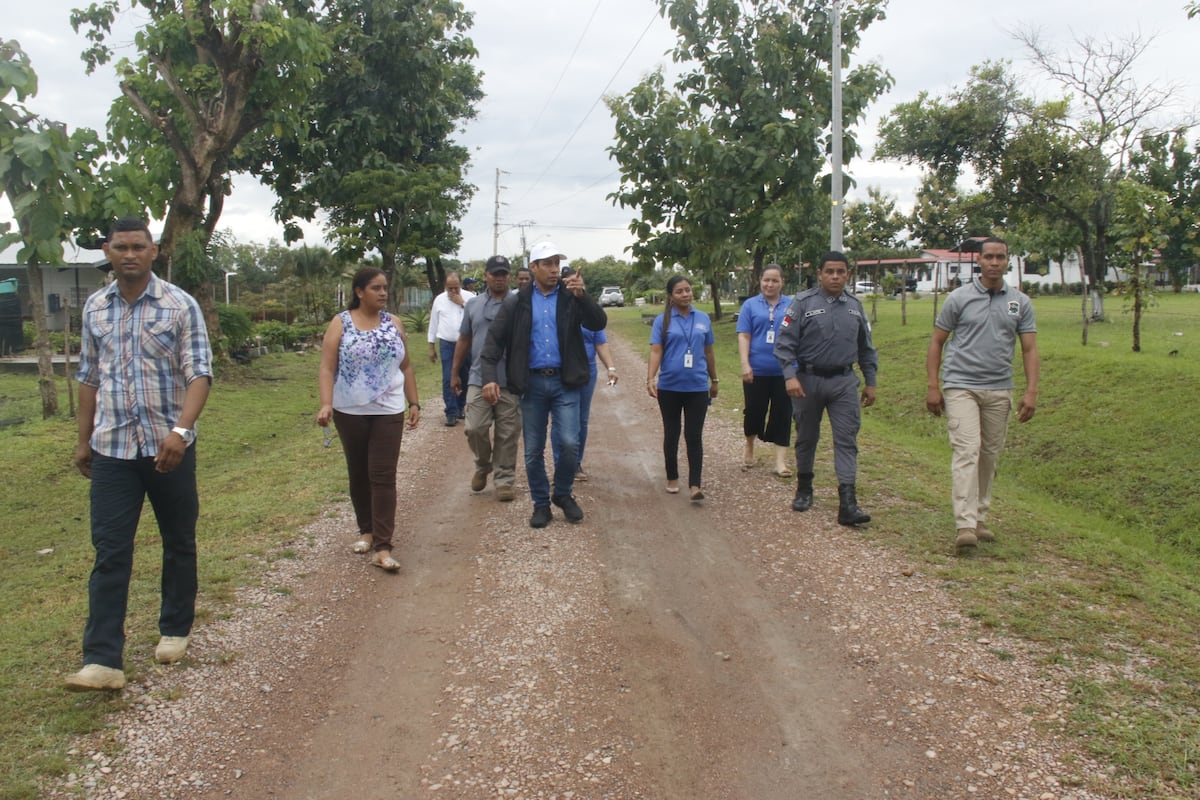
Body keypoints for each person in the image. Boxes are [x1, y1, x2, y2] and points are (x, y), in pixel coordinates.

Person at [66, 217, 213, 692]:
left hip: (168, 447)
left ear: (153, 251)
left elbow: (199, 374)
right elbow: (89, 377)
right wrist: (83, 440)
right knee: (110, 550)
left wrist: (180, 432)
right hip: (112, 448)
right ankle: (102, 659)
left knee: (178, 540)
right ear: (107, 252)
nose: (129, 255)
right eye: (120, 247)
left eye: (137, 247)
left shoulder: (179, 305)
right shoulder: (95, 308)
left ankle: (174, 628)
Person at [479, 242, 607, 528]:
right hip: (532, 384)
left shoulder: (571, 297)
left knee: (570, 443)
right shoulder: (517, 301)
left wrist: (583, 296)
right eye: (547, 264)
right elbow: (494, 341)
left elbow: (598, 323)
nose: (554, 269)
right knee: (533, 449)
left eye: (556, 263)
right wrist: (489, 378)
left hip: (565, 382)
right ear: (533, 267)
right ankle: (540, 504)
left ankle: (562, 493)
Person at [925, 236, 1039, 550]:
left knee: (989, 455)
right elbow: (937, 341)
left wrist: (1031, 391)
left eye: (1000, 257)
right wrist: (933, 386)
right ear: (979, 260)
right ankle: (964, 525)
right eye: (989, 257)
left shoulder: (1020, 302)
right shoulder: (958, 298)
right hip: (961, 385)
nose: (994, 262)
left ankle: (979, 517)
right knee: (967, 451)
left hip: (999, 388)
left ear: (1008, 261)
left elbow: (1029, 349)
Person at [317, 267, 421, 572]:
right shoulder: (341, 323)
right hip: (349, 410)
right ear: (359, 291)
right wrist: (326, 404)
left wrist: (414, 402)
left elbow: (406, 366)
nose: (383, 293)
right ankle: (366, 530)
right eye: (376, 288)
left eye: (385, 287)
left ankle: (383, 546)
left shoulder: (394, 323)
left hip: (389, 410)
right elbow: (327, 367)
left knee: (383, 476)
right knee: (359, 473)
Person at [774, 252, 877, 526]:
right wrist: (789, 376)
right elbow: (784, 344)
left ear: (848, 275)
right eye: (829, 271)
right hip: (808, 381)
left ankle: (848, 503)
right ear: (819, 274)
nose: (835, 277)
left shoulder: (855, 306)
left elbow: (866, 348)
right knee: (807, 437)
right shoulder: (802, 303)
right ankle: (804, 488)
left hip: (844, 382)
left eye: (840, 272)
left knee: (846, 439)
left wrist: (871, 381)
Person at [450, 255, 523, 502]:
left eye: (504, 274)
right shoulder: (473, 305)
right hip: (478, 376)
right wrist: (454, 372)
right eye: (495, 274)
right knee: (474, 428)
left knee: (508, 432)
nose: (499, 278)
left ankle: (504, 479)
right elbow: (464, 339)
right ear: (486, 276)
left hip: (510, 379)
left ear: (509, 276)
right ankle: (483, 465)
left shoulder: (519, 304)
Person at [646, 275, 718, 502]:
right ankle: (672, 477)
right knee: (672, 432)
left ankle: (695, 484)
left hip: (697, 386)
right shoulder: (662, 320)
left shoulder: (703, 318)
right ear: (671, 296)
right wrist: (650, 378)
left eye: (688, 290)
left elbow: (708, 351)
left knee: (694, 435)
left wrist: (714, 380)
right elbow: (656, 350)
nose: (685, 294)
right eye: (679, 291)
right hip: (670, 387)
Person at [737, 263, 793, 476]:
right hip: (756, 370)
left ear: (782, 282)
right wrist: (745, 364)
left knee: (783, 414)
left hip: (785, 370)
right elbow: (744, 335)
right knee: (754, 411)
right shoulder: (750, 305)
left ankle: (780, 462)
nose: (770, 284)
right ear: (760, 281)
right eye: (766, 280)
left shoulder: (792, 305)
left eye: (775, 280)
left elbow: (799, 335)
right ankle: (749, 444)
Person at [552, 300, 618, 483]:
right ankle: (560, 465)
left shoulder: (590, 311)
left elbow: (600, 343)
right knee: (560, 419)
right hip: (562, 370)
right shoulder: (556, 306)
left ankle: (575, 463)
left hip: (586, 370)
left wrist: (611, 367)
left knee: (581, 418)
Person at [427, 272, 474, 426]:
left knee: (465, 376)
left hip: (466, 344)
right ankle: (451, 412)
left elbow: (476, 317)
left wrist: (462, 303)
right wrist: (431, 345)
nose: (453, 291)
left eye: (456, 288)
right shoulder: (439, 300)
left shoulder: (470, 298)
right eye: (450, 288)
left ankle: (460, 406)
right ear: (445, 286)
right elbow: (434, 323)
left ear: (460, 285)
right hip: (447, 343)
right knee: (449, 377)